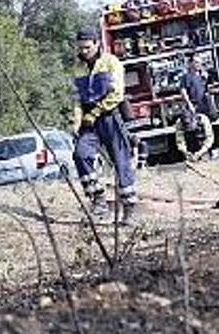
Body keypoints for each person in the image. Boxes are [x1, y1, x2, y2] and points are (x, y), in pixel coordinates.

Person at [71, 27, 139, 224]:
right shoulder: (77, 68)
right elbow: (76, 99)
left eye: (87, 47)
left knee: (121, 162)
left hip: (110, 116)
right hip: (88, 121)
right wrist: (76, 124)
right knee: (80, 155)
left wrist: (95, 112)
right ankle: (98, 202)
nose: (83, 51)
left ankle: (129, 209)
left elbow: (117, 94)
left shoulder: (111, 62)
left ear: (96, 44)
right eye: (80, 48)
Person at [180, 54, 215, 119]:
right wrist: (189, 104)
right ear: (190, 63)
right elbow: (183, 92)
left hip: (205, 104)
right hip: (194, 105)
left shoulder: (204, 75)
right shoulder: (185, 77)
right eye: (196, 62)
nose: (198, 64)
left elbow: (210, 89)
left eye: (199, 62)